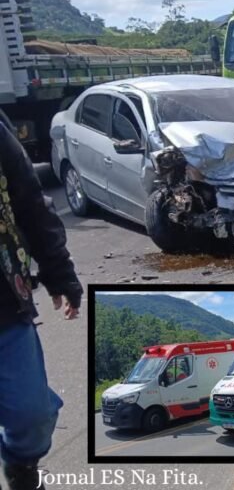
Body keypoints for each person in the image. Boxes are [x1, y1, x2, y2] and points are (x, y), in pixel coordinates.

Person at [0, 124, 82, 490]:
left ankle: (20, 467)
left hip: (4, 306)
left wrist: (59, 272)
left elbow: (30, 201)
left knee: (32, 414)